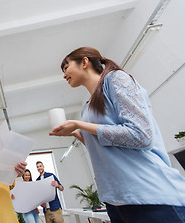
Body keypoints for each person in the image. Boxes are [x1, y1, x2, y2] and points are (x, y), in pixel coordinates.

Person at [50, 47, 185, 223]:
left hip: (150, 197)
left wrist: (79, 124)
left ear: (84, 62)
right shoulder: (88, 106)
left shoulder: (116, 79)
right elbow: (105, 148)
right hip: (116, 203)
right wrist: (77, 133)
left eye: (66, 67)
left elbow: (141, 135)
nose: (64, 75)